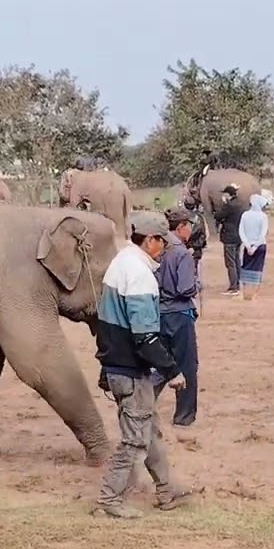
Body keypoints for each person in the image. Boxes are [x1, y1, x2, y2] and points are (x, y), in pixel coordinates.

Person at [93, 211, 193, 519]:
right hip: (130, 370)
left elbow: (108, 323)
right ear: (150, 240)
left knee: (150, 432)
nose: (165, 248)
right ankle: (110, 498)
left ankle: (167, 490)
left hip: (116, 364)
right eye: (163, 242)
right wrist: (172, 371)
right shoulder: (140, 275)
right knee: (135, 439)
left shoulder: (120, 263)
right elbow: (145, 337)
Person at [157, 208, 201, 427]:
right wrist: (196, 285)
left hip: (159, 313)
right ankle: (184, 416)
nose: (191, 229)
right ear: (182, 226)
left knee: (160, 363)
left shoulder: (158, 248)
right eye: (190, 225)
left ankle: (142, 406)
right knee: (187, 365)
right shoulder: (182, 253)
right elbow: (185, 289)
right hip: (179, 314)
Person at [238, 192, 271, 300]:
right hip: (260, 246)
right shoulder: (263, 216)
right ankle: (254, 294)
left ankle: (242, 293)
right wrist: (255, 246)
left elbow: (241, 231)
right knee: (258, 269)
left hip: (248, 246)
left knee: (245, 268)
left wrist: (247, 246)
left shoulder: (245, 215)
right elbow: (263, 233)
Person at [215, 184, 246, 296]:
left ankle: (233, 287)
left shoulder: (229, 206)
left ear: (229, 194)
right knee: (237, 260)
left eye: (225, 193)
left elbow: (218, 216)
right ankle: (238, 284)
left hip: (229, 236)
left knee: (230, 262)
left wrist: (224, 204)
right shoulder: (240, 204)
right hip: (238, 236)